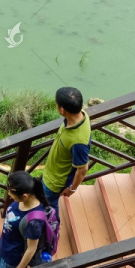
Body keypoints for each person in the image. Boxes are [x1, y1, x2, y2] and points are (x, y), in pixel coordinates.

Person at [41, 87, 91, 218]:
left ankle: (52, 231)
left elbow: (83, 169)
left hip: (55, 182)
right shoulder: (82, 115)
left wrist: (72, 189)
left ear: (62, 110)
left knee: (48, 207)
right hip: (51, 172)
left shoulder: (78, 141)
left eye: (56, 104)